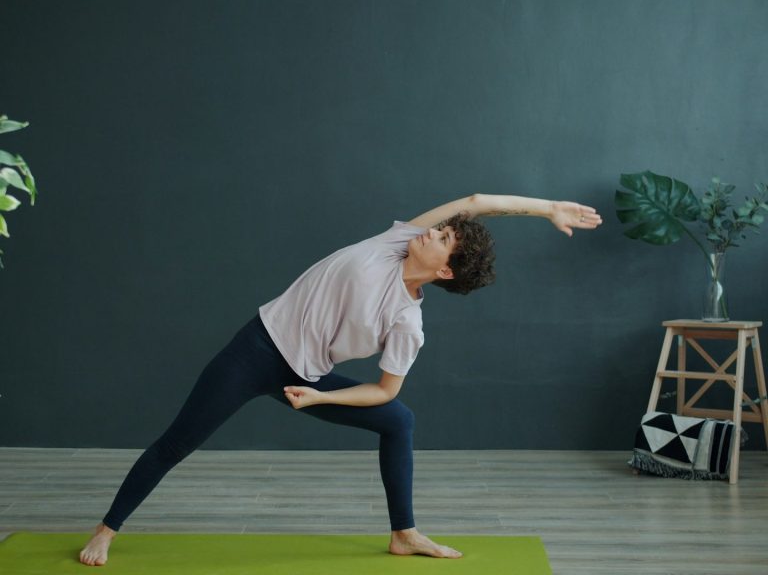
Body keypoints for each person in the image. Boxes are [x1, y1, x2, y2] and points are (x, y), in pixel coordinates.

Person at [79, 193, 602, 566]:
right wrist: (548, 209)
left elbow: (384, 391)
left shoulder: (408, 323)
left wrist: (312, 396)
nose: (432, 231)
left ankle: (405, 534)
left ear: (445, 271)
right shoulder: (393, 242)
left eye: (442, 238)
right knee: (176, 443)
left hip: (302, 377)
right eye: (440, 228)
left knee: (399, 421)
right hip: (254, 348)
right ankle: (106, 531)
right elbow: (476, 199)